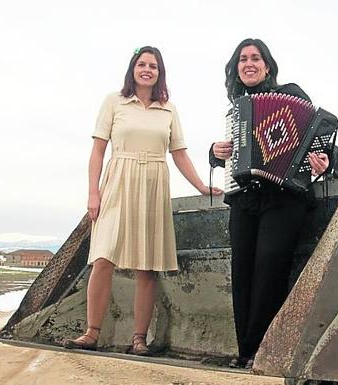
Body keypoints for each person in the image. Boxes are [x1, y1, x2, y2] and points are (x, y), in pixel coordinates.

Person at [64, 46, 222, 355]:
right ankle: (92, 332)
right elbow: (98, 151)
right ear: (133, 69)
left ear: (160, 73)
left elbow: (179, 154)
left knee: (147, 265)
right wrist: (92, 192)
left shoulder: (169, 109)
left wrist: (202, 185)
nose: (147, 69)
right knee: (103, 257)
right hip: (118, 179)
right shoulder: (114, 101)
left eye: (153, 65)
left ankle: (139, 338)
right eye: (141, 64)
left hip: (153, 183)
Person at [209, 38, 330, 369]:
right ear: (236, 68)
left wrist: (322, 160)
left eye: (255, 58)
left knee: (269, 267)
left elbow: (317, 138)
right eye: (242, 59)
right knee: (243, 272)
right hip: (245, 197)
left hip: (284, 196)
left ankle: (262, 351)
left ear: (267, 65)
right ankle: (245, 351)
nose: (249, 63)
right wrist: (215, 152)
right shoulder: (237, 108)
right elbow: (230, 153)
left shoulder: (292, 92)